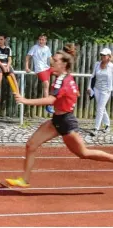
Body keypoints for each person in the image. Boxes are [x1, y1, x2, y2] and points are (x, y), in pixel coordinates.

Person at [6, 50, 113, 187]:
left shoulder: (63, 80)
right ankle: (24, 180)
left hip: (66, 122)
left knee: (83, 153)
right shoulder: (64, 76)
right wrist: (10, 73)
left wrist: (25, 101)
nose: (52, 62)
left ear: (63, 64)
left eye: (55, 60)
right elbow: (67, 89)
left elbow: (51, 99)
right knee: (31, 145)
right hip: (56, 120)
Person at [25, 33, 54, 113]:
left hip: (47, 68)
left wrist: (56, 66)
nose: (41, 41)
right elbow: (28, 57)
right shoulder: (35, 47)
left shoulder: (47, 48)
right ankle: (48, 104)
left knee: (61, 75)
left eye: (42, 40)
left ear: (45, 41)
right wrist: (27, 67)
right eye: (40, 40)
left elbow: (50, 59)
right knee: (46, 84)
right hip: (40, 69)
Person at [87, 48, 113, 136]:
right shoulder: (97, 64)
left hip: (106, 90)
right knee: (101, 107)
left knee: (100, 108)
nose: (102, 56)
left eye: (104, 55)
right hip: (97, 89)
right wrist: (89, 87)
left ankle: (96, 128)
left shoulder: (111, 66)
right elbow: (93, 76)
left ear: (109, 57)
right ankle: (107, 124)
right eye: (101, 55)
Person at [0, 33, 19, 103]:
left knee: (12, 76)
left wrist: (7, 66)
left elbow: (10, 59)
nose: (0, 41)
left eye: (1, 39)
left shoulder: (8, 49)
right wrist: (3, 67)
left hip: (7, 65)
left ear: (4, 40)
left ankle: (18, 95)